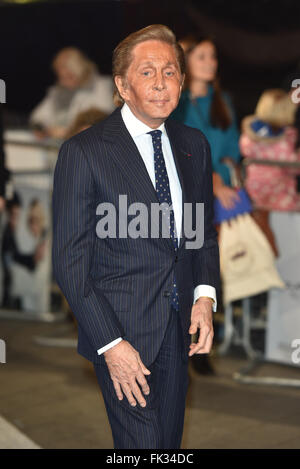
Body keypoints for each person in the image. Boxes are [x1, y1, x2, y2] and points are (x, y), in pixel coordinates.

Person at [52, 24, 220, 449]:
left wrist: (204, 295)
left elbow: (201, 230)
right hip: (121, 331)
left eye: (170, 71)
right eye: (147, 72)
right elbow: (70, 264)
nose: (161, 83)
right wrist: (110, 344)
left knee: (167, 444)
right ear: (123, 86)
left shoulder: (193, 144)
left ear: (182, 81)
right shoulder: (84, 152)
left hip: (179, 327)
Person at [171, 34, 241, 374]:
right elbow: (175, 147)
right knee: (184, 267)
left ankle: (202, 340)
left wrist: (222, 176)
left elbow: (231, 149)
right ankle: (182, 339)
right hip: (183, 197)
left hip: (215, 201)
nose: (210, 63)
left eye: (213, 56)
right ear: (187, 60)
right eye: (202, 56)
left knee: (209, 269)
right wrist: (210, 178)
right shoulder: (175, 100)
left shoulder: (222, 100)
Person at [29, 47, 115, 140]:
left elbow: (101, 119)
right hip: (59, 146)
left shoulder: (101, 87)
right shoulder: (59, 92)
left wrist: (68, 132)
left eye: (68, 76)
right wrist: (42, 129)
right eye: (60, 77)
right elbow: (38, 117)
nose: (63, 82)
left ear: (80, 72)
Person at [240, 89, 300, 212]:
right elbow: (294, 167)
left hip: (253, 194)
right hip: (281, 196)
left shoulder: (249, 135)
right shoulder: (286, 140)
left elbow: (243, 151)